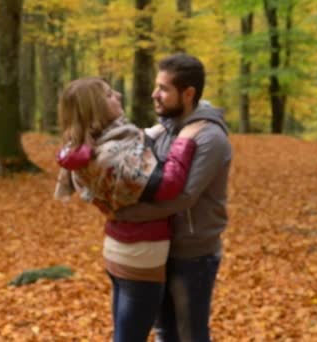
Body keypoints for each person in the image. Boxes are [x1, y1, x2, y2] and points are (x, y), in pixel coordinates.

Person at [54, 76, 207, 342]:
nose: (118, 96)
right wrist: (185, 141)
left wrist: (157, 132)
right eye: (109, 95)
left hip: (118, 249)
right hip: (141, 254)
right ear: (96, 109)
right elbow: (168, 184)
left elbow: (131, 150)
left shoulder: (86, 146)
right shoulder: (113, 153)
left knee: (125, 333)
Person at [115, 53, 232, 342]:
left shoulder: (210, 138)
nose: (155, 94)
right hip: (159, 247)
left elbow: (184, 197)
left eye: (164, 88)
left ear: (188, 93)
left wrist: (129, 214)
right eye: (157, 86)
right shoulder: (166, 126)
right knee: (165, 332)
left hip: (193, 253)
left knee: (191, 334)